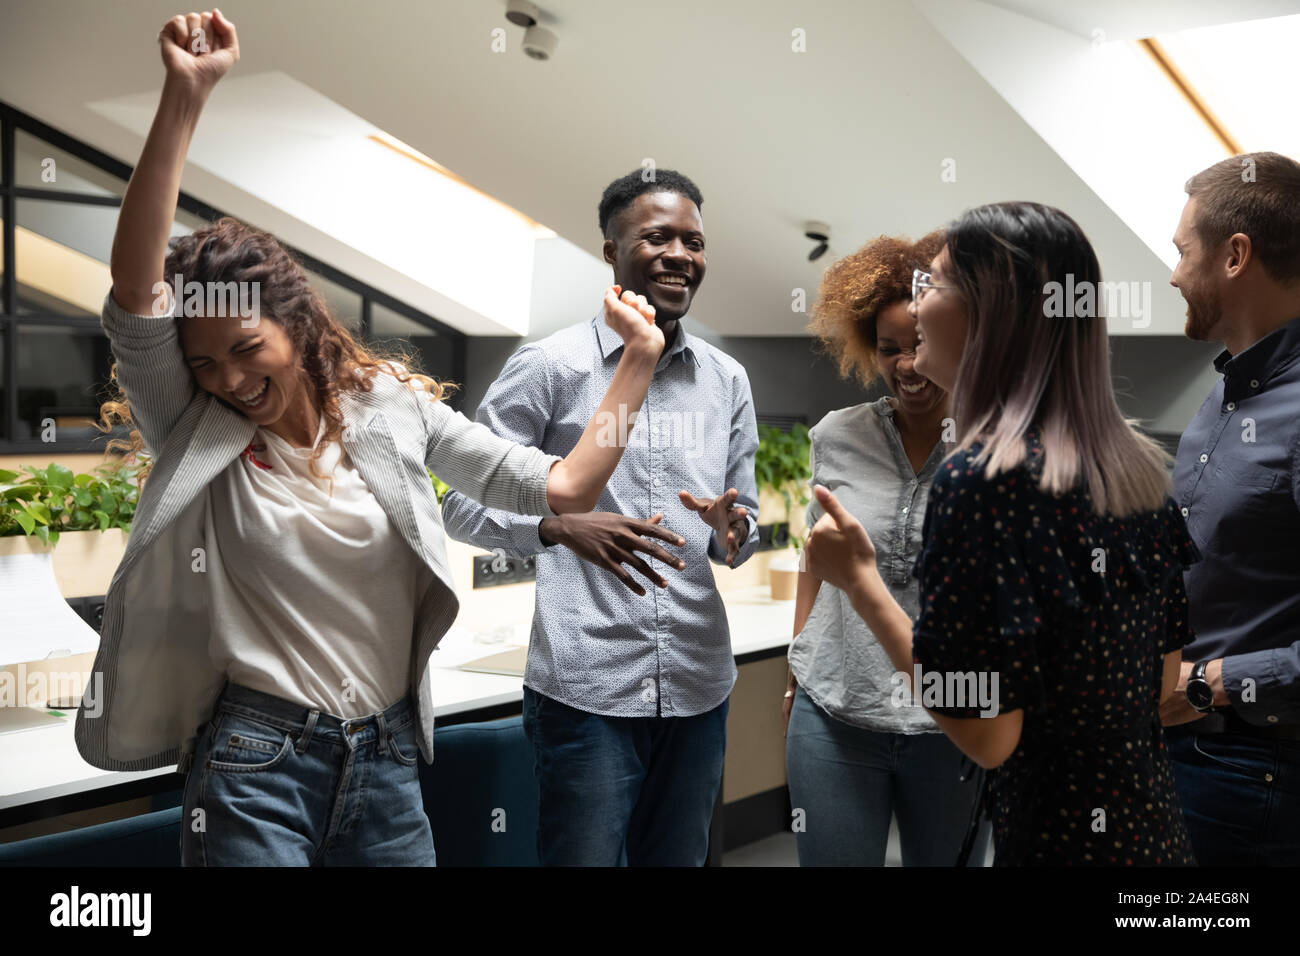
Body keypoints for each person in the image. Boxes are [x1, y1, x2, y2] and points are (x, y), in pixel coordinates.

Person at [77, 9, 664, 866]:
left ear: (296, 325)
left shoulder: (390, 409)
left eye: (246, 350)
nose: (231, 379)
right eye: (205, 363)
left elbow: (566, 487)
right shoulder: (194, 426)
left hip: (387, 760)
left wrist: (638, 364)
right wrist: (184, 96)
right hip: (255, 760)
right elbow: (136, 294)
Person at [802, 201, 1198, 866]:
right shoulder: (1136, 467)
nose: (917, 303)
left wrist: (861, 581)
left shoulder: (982, 482)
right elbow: (1162, 688)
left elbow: (986, 735)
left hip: (1054, 842)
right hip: (1151, 839)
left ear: (989, 311)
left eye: (933, 283)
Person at [441, 169, 760, 866]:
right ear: (611, 251)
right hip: (586, 692)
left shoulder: (726, 381)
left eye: (695, 241)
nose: (682, 254)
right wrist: (556, 527)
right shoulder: (549, 366)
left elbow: (742, 525)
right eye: (658, 236)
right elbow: (460, 503)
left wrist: (734, 533)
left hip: (699, 687)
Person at [783, 231, 989, 866]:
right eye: (888, 347)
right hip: (835, 711)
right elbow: (819, 555)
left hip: (952, 721)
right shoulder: (837, 436)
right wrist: (796, 667)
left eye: (922, 343)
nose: (906, 364)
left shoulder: (998, 447)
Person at [1162, 151, 1300, 865]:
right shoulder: (1223, 394)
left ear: (1236, 255)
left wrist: (1216, 683)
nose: (1174, 273)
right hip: (1186, 756)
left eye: (1183, 251)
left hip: (1255, 770)